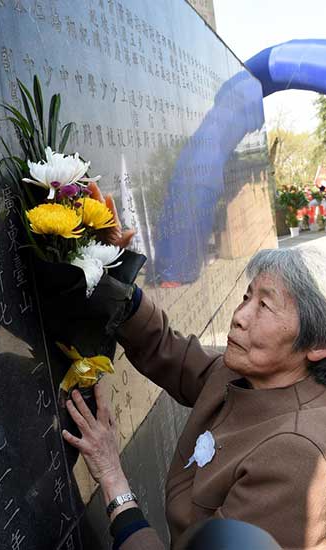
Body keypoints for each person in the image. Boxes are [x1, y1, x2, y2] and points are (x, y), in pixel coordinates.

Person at [62, 184, 326, 549]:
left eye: (265, 306)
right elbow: (167, 350)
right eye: (247, 296)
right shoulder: (250, 373)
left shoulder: (297, 458)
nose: (239, 317)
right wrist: (104, 262)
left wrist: (112, 480)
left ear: (317, 345)